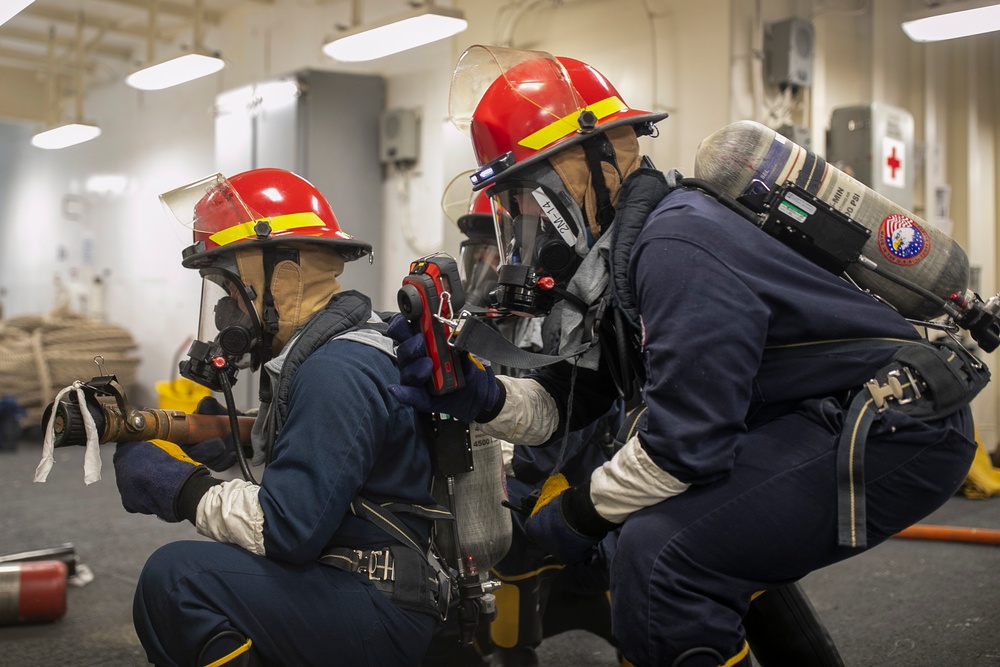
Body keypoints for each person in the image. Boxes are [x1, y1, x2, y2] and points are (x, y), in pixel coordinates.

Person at [388, 46, 982, 667]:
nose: (520, 221)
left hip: (891, 424)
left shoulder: (675, 243)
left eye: (522, 198)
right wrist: (482, 396)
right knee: (685, 534)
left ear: (577, 166)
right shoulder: (632, 253)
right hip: (829, 416)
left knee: (662, 560)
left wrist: (566, 519)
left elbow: (682, 450)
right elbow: (578, 399)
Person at [111, 168, 446, 667]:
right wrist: (205, 432)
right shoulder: (358, 341)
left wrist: (178, 485)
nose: (226, 313)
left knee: (177, 579)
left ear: (283, 280)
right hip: (377, 581)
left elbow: (285, 530)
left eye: (230, 289)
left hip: (380, 607)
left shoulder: (335, 371)